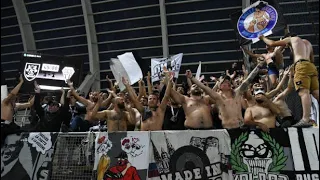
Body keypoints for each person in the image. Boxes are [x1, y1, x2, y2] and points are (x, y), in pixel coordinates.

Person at [259, 33, 319, 127]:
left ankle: (305, 119)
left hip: (301, 65)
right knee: (316, 93)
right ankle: (306, 118)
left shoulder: (292, 39)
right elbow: (312, 59)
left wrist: (262, 38)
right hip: (311, 66)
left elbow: (272, 43)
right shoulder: (307, 43)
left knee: (303, 92)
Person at [188, 61, 264, 129]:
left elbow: (248, 80)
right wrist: (192, 77)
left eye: (227, 81)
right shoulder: (218, 97)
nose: (225, 82)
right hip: (227, 130)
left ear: (230, 85)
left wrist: (258, 66)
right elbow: (204, 87)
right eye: (223, 81)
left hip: (241, 129)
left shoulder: (237, 93)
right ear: (219, 86)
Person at [1, 75, 33, 145]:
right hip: (2, 126)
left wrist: (36, 93)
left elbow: (29, 104)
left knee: (22, 132)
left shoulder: (15, 105)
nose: (16, 97)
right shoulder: (5, 102)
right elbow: (12, 93)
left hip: (9, 126)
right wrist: (21, 82)